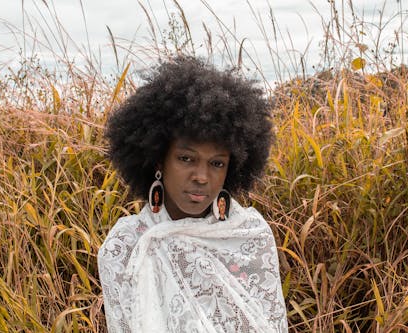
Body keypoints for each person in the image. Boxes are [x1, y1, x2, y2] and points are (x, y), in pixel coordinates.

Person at [98, 56, 288, 332]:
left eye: (217, 163)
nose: (201, 177)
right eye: (186, 159)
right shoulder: (126, 245)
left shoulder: (250, 237)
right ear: (159, 160)